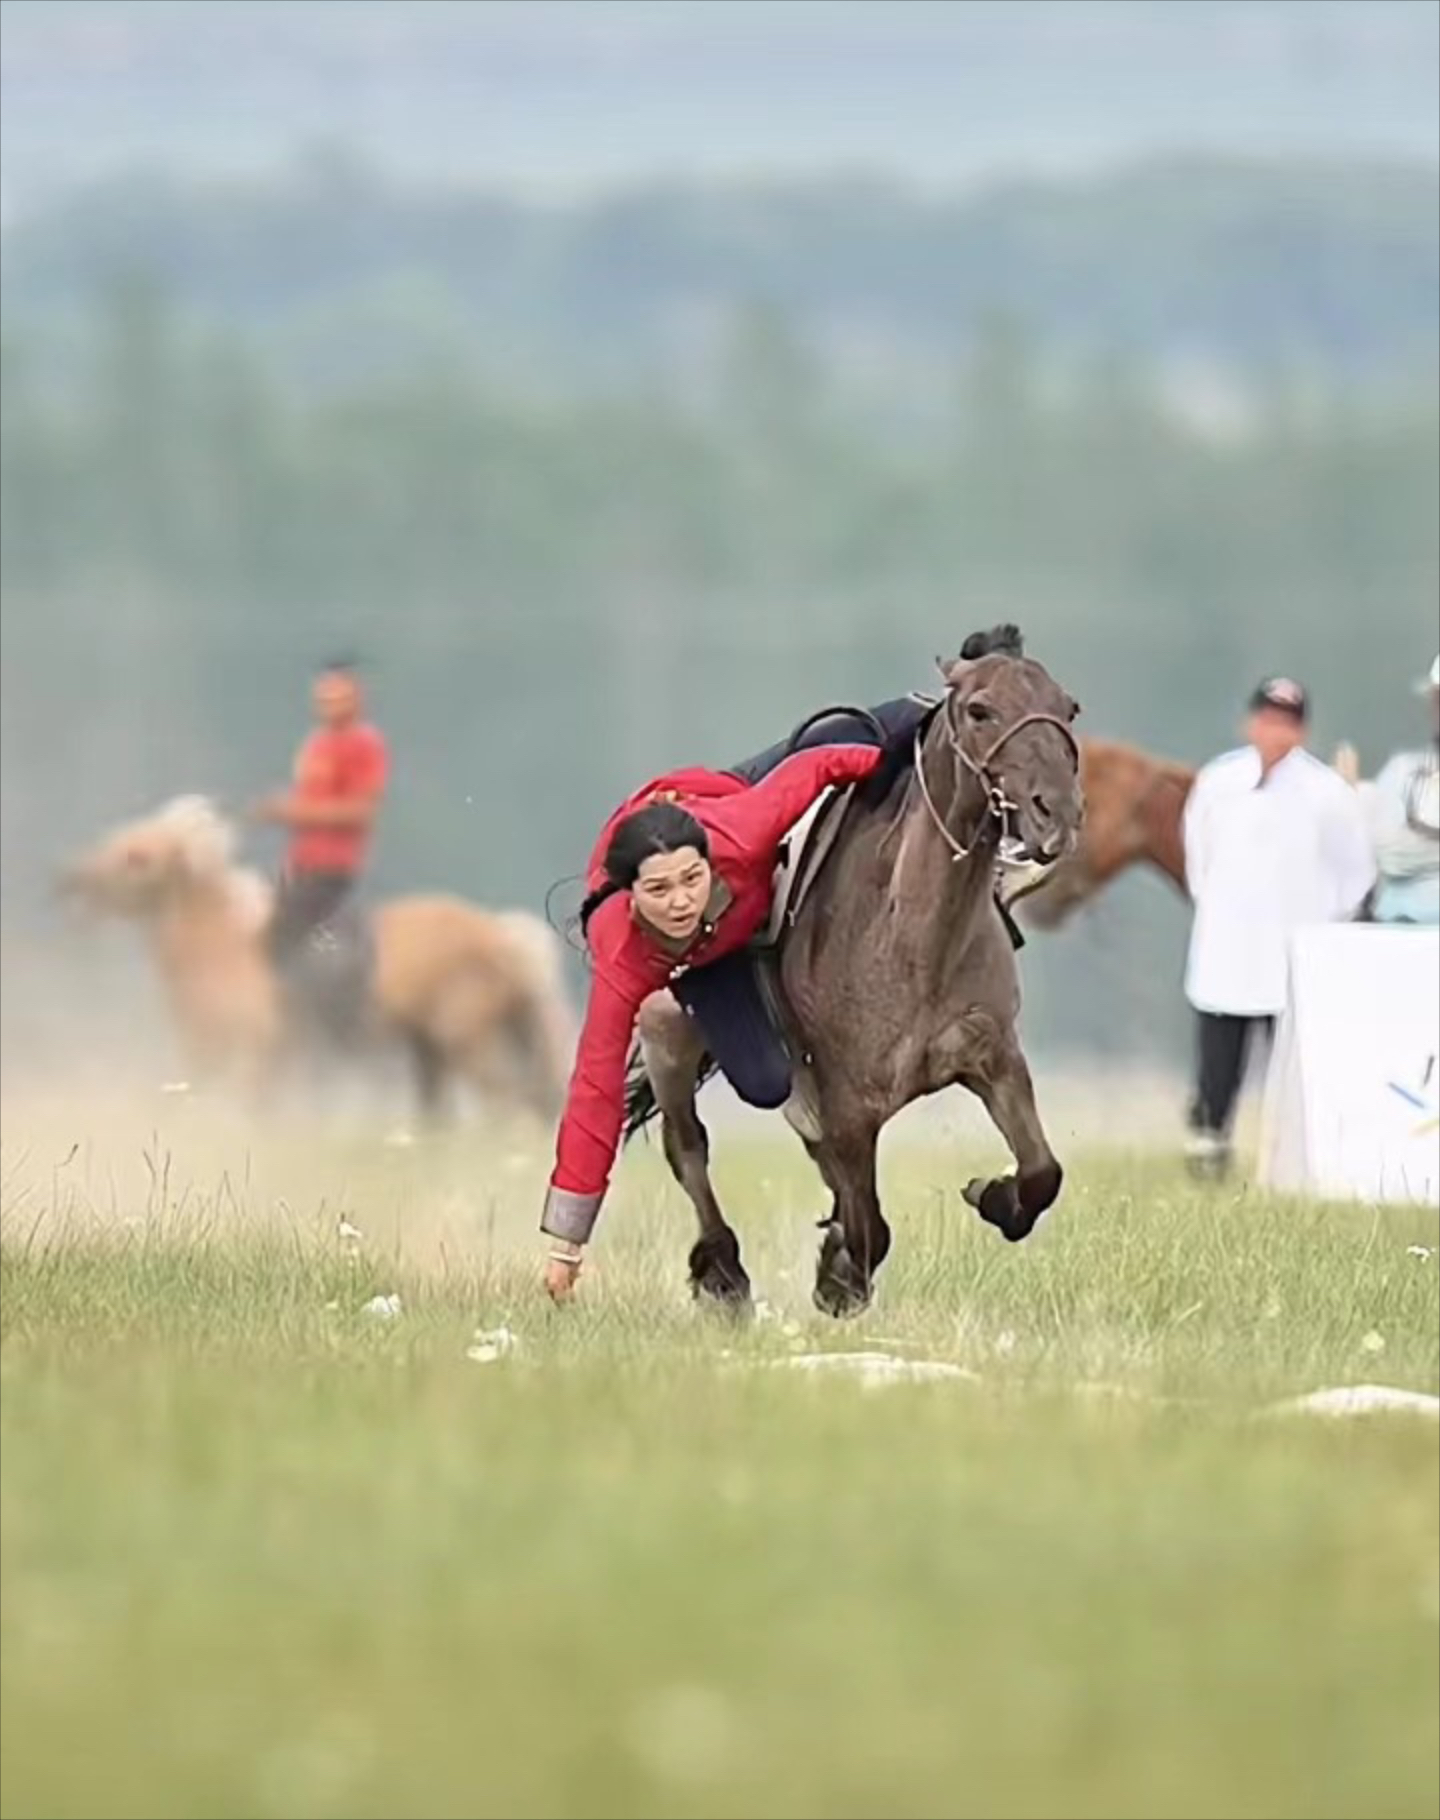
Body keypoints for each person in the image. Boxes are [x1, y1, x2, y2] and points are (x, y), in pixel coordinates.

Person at [539, 713, 918, 1301]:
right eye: (659, 892)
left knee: (850, 734)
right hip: (712, 955)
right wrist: (567, 1243)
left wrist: (889, 768)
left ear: (708, 864)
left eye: (691, 881)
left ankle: (953, 687)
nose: (681, 901)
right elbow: (595, 1087)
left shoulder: (745, 830)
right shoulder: (623, 948)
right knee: (766, 1083)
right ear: (632, 897)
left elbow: (817, 767)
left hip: (723, 796)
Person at [1182, 676, 1375, 1177]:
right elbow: (1197, 857)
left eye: (1288, 723)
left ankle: (1300, 1157)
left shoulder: (1327, 793)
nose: (1276, 732)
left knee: (1294, 1069)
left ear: (1303, 731)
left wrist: (1323, 928)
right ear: (1251, 723)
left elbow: (1355, 872)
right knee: (1218, 1061)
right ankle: (1209, 1147)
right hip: (1226, 945)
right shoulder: (1218, 781)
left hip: (1293, 952)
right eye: (1268, 720)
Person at [250, 657, 390, 984]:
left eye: (339, 697)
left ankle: (307, 1017)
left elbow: (361, 811)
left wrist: (292, 811)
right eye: (324, 698)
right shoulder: (317, 744)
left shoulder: (363, 744)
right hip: (303, 864)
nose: (329, 705)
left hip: (333, 868)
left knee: (283, 941)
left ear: (357, 699)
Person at [1361, 655, 1439, 926]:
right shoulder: (1401, 770)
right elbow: (1391, 855)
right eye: (1437, 698)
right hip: (1401, 940)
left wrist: (1425, 847)